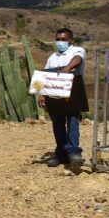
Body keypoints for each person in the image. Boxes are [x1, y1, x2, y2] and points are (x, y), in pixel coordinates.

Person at [39, 28, 88, 170]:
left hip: (73, 94)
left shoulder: (77, 50)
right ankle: (61, 154)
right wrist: (42, 94)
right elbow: (45, 76)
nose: (60, 42)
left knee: (72, 120)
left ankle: (73, 152)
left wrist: (66, 68)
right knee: (57, 123)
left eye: (63, 39)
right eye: (58, 39)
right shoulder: (52, 57)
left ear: (70, 40)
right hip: (54, 95)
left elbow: (77, 60)